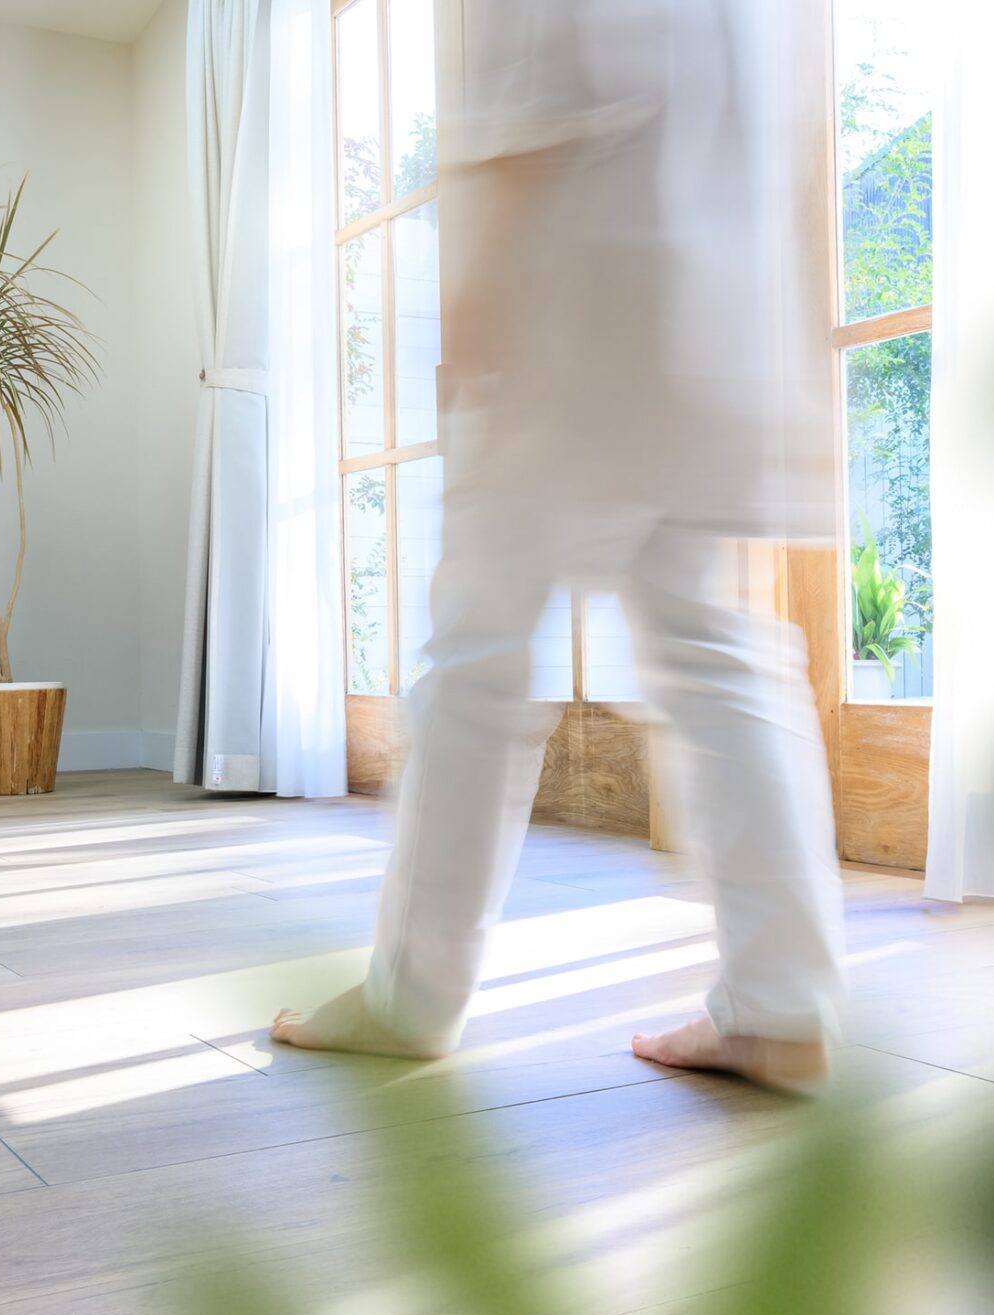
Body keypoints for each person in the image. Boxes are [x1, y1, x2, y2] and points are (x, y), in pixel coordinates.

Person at [272, 0, 845, 1092]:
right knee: (715, 645)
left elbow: (550, 86)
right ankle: (782, 1004)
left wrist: (480, 287)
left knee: (477, 651)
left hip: (579, 290)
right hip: (719, 306)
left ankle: (410, 994)